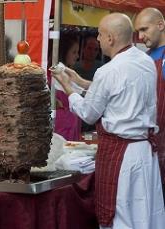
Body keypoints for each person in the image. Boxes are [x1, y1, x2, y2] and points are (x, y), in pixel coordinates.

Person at [51, 13, 165, 229]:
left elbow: (88, 113)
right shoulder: (146, 61)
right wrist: (81, 81)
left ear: (111, 38)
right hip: (145, 151)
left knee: (122, 214)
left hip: (122, 155)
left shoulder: (108, 71)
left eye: (101, 35)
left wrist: (67, 84)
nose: (99, 39)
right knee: (145, 213)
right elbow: (118, 91)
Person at [134, 7, 165, 194]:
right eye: (138, 31)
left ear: (160, 25)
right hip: (152, 142)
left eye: (144, 29)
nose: (140, 36)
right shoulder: (143, 59)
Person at [52, 33, 81, 141]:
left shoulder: (70, 75)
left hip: (70, 130)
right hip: (61, 132)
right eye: (74, 52)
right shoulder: (53, 76)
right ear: (64, 52)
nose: (77, 56)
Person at [74, 36, 103, 132]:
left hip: (94, 111)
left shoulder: (102, 68)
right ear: (84, 49)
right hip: (76, 108)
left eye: (95, 50)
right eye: (89, 48)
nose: (92, 52)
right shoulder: (74, 66)